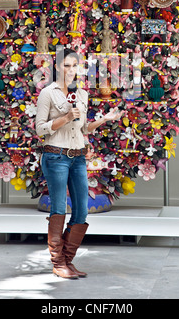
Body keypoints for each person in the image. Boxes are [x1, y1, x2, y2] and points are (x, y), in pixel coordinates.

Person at [35, 48, 123, 279]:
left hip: (78, 158)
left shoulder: (82, 94)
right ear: (57, 67)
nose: (71, 70)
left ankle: (68, 261)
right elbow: (39, 128)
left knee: (82, 210)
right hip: (55, 156)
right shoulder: (48, 93)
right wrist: (64, 118)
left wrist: (104, 120)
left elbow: (83, 129)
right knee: (58, 208)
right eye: (67, 65)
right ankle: (58, 263)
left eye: (75, 66)